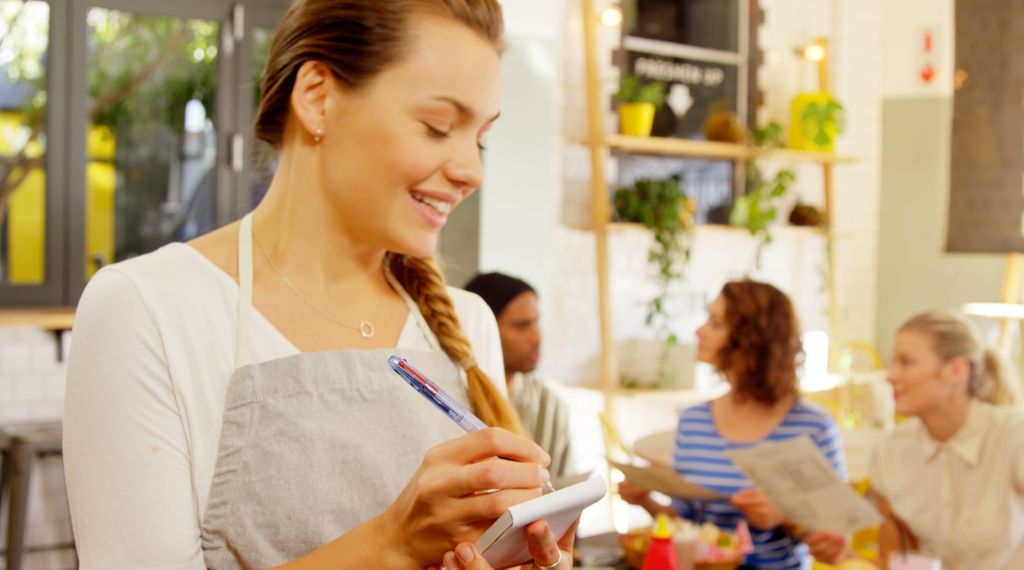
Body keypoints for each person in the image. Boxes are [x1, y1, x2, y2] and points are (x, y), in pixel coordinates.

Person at [62, 2, 574, 569]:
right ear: (317, 97)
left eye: (480, 139)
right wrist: (391, 544)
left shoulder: (468, 322)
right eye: (437, 127)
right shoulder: (146, 310)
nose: (472, 171)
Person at [813, 311, 1024, 569]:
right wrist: (846, 555)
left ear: (956, 371)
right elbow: (898, 562)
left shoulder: (1017, 435)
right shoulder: (890, 452)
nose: (890, 375)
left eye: (906, 362)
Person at [618, 279, 846, 570]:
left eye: (715, 323)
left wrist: (784, 516)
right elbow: (685, 525)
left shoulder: (813, 428)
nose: (698, 331)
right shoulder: (693, 421)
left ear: (751, 340)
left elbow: (835, 548)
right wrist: (645, 501)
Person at [464, 272, 574, 479]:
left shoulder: (550, 407)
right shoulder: (454, 401)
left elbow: (565, 490)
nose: (537, 337)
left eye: (536, 322)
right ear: (483, 331)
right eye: (521, 325)